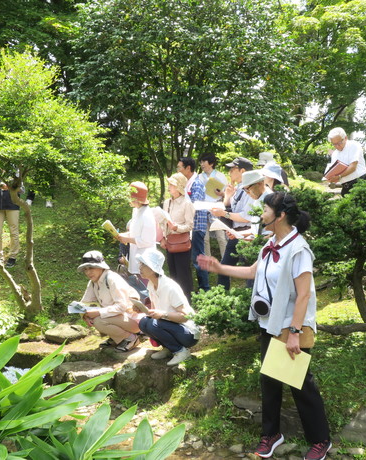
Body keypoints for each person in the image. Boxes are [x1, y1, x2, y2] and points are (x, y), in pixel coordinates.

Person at [198, 191, 331, 460]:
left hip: (291, 326)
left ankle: (320, 440)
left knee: (300, 384)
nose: (261, 214)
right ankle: (271, 434)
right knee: (268, 379)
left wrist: (294, 333)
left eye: (266, 210)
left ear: (280, 215)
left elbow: (303, 294)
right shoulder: (271, 243)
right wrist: (218, 268)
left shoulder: (298, 249)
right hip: (269, 323)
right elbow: (251, 271)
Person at [137, 249, 201, 366]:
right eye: (140, 264)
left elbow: (185, 316)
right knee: (143, 322)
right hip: (171, 327)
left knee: (153, 324)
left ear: (152, 268)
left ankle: (180, 351)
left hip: (188, 333)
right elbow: (153, 311)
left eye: (143, 264)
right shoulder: (151, 284)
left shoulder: (169, 287)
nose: (140, 267)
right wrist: (141, 309)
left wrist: (163, 314)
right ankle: (168, 348)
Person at [78, 251, 143, 352]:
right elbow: (85, 302)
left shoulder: (112, 279)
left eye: (91, 268)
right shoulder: (93, 282)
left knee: (99, 320)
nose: (88, 272)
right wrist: (85, 316)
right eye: (85, 269)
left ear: (100, 267)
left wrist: (97, 312)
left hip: (132, 319)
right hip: (119, 318)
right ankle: (117, 338)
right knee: (96, 318)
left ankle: (130, 338)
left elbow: (122, 306)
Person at [210, 157, 255, 290]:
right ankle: (220, 300)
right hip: (235, 233)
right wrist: (228, 196)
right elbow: (228, 207)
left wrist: (223, 214)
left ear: (242, 171)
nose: (229, 172)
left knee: (249, 271)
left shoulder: (250, 189)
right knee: (223, 268)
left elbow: (246, 217)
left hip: (247, 233)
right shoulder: (238, 187)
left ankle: (248, 302)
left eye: (232, 169)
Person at [177, 157, 210, 292]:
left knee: (198, 258)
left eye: (180, 167)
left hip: (196, 226)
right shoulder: (189, 183)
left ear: (188, 168)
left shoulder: (196, 183)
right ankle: (200, 288)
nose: (178, 170)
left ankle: (205, 289)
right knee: (194, 258)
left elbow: (193, 205)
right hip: (191, 226)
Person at [161, 173, 195, 299]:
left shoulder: (187, 203)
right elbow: (163, 222)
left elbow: (190, 226)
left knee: (183, 274)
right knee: (173, 274)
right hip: (169, 243)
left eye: (172, 184)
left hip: (182, 244)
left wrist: (177, 228)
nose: (169, 186)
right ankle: (175, 301)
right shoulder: (167, 202)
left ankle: (188, 301)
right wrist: (163, 238)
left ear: (179, 187)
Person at [116, 182, 157, 277]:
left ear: (137, 199)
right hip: (135, 256)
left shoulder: (146, 215)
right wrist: (124, 235)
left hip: (145, 259)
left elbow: (147, 241)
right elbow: (135, 232)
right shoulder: (136, 210)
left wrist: (127, 239)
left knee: (144, 289)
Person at [199, 153, 228, 261]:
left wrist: (222, 194)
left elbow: (227, 192)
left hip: (216, 207)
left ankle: (225, 261)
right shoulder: (199, 177)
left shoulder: (220, 176)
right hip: (203, 208)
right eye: (201, 162)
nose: (202, 164)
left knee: (220, 236)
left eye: (204, 162)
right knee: (205, 238)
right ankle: (208, 261)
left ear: (211, 163)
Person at [324, 127, 366, 196]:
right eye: (334, 144)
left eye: (339, 143)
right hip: (345, 186)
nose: (337, 146)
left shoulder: (354, 145)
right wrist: (331, 178)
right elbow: (334, 170)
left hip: (359, 182)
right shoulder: (335, 154)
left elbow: (353, 166)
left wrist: (339, 176)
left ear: (345, 138)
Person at [0, 181, 20, 268]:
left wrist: (9, 187)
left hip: (13, 205)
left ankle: (13, 257)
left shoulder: (16, 172)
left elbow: (21, 189)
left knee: (14, 231)